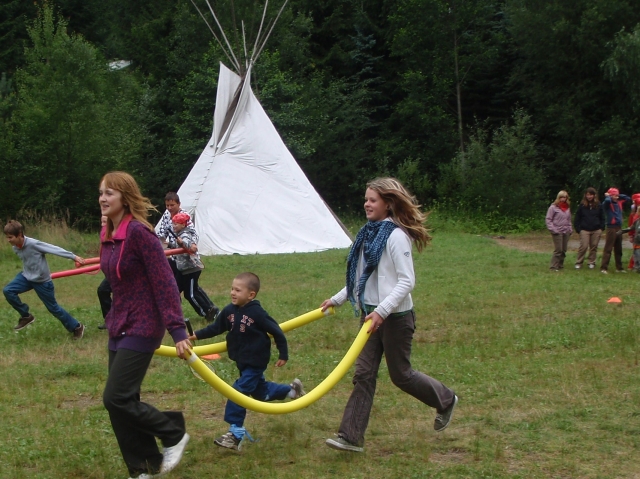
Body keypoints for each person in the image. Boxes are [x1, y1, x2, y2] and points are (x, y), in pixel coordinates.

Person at [319, 177, 457, 453]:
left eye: (373, 200)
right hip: (370, 318)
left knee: (401, 375)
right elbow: (361, 278)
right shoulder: (366, 234)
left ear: (388, 204)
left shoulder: (396, 236)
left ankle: (446, 399)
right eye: (366, 199)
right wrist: (337, 299)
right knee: (363, 374)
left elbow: (407, 281)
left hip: (395, 318)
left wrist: (382, 311)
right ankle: (350, 437)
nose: (366, 204)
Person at [99, 171, 192, 479]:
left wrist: (177, 330)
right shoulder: (109, 234)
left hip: (144, 323)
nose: (103, 198)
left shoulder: (140, 233)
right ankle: (143, 468)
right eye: (101, 193)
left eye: (109, 193)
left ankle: (173, 431)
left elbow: (165, 282)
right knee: (123, 402)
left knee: (115, 397)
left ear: (125, 198)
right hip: (119, 323)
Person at [187, 272, 306, 451]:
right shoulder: (229, 310)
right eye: (232, 289)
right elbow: (216, 328)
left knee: (238, 392)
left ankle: (235, 434)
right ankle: (292, 391)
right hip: (242, 361)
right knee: (261, 393)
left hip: (255, 362)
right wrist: (195, 335)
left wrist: (283, 354)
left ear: (251, 295)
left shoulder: (257, 313)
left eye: (237, 290)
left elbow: (277, 331)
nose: (232, 293)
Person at [3, 220, 86, 338]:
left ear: (19, 234)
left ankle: (77, 327)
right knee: (8, 290)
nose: (8, 240)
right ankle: (26, 316)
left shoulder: (33, 244)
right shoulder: (15, 247)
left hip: (42, 281)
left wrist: (73, 256)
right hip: (26, 277)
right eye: (7, 237)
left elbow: (53, 249)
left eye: (10, 237)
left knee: (53, 308)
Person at [170, 212, 219, 321]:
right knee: (179, 290)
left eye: (176, 224)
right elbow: (179, 246)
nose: (173, 226)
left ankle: (207, 312)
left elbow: (190, 246)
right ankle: (211, 308)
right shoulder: (180, 234)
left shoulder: (185, 234)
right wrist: (171, 244)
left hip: (191, 269)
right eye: (173, 224)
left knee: (190, 294)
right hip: (183, 270)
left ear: (183, 224)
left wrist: (182, 243)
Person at [600, 187, 631, 274]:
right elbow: (607, 201)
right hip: (611, 227)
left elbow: (628, 198)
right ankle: (604, 267)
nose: (616, 197)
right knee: (608, 248)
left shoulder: (619, 202)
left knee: (618, 248)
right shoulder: (607, 203)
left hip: (619, 227)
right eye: (614, 195)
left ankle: (619, 267)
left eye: (617, 196)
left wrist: (618, 195)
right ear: (610, 195)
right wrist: (608, 196)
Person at [573, 187, 604, 269]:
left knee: (594, 246)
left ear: (594, 195)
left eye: (591, 195)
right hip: (584, 229)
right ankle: (579, 262)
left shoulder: (598, 205)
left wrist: (601, 228)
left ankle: (591, 262)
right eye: (587, 195)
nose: (589, 196)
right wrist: (578, 229)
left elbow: (602, 217)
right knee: (583, 246)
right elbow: (577, 217)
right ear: (585, 195)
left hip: (596, 229)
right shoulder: (582, 205)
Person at [545, 190, 572, 271]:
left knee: (564, 249)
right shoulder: (553, 207)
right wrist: (553, 229)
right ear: (558, 198)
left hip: (566, 231)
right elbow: (548, 219)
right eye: (561, 197)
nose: (563, 199)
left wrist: (570, 229)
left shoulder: (567, 207)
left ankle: (560, 265)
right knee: (558, 249)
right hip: (557, 231)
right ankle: (553, 266)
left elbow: (569, 219)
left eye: (565, 197)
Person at [97, 215, 111, 330]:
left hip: (117, 271)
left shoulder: (114, 235)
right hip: (109, 270)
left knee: (103, 290)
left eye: (105, 222)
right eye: (102, 222)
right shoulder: (105, 234)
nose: (103, 225)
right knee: (103, 291)